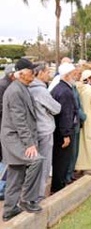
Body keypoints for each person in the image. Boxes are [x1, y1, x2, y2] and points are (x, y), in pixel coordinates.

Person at [1, 58, 43, 221]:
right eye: (31, 70)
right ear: (21, 73)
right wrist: (29, 144)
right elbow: (19, 121)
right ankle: (26, 200)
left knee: (16, 174)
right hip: (15, 139)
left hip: (17, 138)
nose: (34, 73)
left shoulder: (22, 88)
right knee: (36, 161)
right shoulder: (15, 91)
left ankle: (10, 209)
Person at [29, 64, 61, 202]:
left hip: (33, 130)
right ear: (40, 73)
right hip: (44, 130)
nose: (49, 74)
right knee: (44, 164)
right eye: (47, 72)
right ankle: (39, 195)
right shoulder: (40, 91)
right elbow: (56, 108)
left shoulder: (28, 88)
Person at [50, 63, 78, 194]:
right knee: (62, 161)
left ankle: (57, 185)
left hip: (59, 130)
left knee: (59, 161)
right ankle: (58, 188)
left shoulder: (60, 88)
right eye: (73, 74)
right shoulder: (65, 91)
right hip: (63, 132)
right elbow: (66, 114)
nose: (75, 77)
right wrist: (66, 134)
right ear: (67, 76)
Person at [66, 65, 86, 184]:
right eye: (77, 74)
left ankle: (71, 172)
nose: (78, 76)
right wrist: (83, 116)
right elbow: (75, 106)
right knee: (71, 152)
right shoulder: (69, 88)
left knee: (75, 151)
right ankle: (68, 175)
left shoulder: (74, 86)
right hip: (72, 123)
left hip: (77, 123)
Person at [0, 64, 16, 200]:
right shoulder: (4, 86)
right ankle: (1, 188)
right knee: (4, 159)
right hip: (4, 127)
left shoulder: (7, 85)